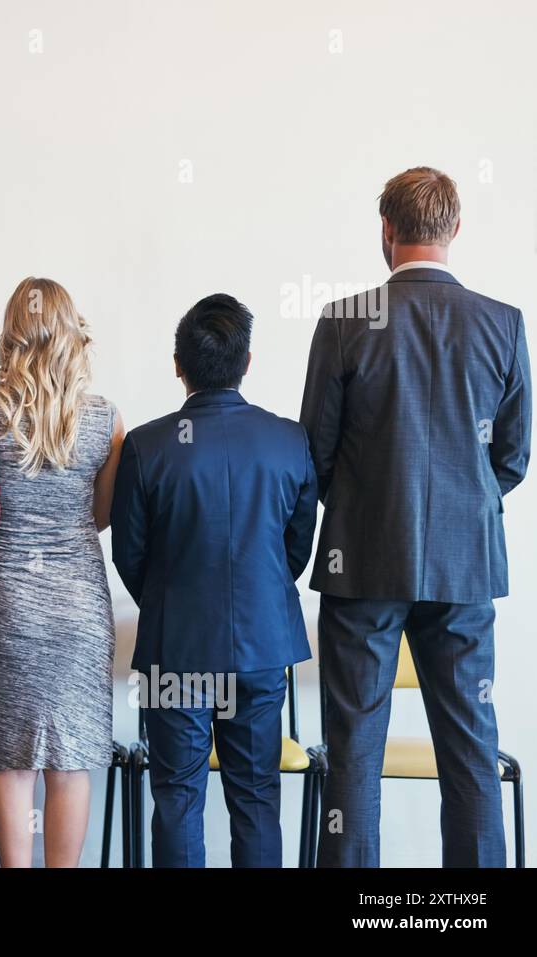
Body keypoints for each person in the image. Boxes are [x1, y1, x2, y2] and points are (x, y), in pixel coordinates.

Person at [301, 167, 531, 867]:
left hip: (362, 560)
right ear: (455, 230)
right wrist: (461, 505)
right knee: (470, 749)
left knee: (354, 749)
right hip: (465, 566)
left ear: (387, 230)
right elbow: (513, 458)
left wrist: (370, 504)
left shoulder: (343, 322)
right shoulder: (502, 323)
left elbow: (316, 453)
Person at [111, 293, 317, 867]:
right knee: (256, 798)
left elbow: (130, 553)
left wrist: (169, 600)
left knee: (176, 796)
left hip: (175, 650)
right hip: (261, 646)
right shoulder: (289, 440)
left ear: (178, 365)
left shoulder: (148, 446)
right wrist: (260, 593)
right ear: (247, 361)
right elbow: (295, 548)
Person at [0, 277, 124, 867]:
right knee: (72, 759)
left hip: (4, 606)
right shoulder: (104, 419)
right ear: (71, 333)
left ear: (13, 333)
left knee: (11, 759)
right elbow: (100, 516)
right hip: (80, 610)